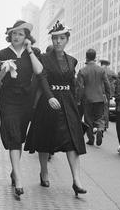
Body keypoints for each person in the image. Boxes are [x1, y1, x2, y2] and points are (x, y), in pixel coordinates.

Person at [24, 20, 87, 196]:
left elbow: (72, 84)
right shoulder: (44, 59)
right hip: (49, 101)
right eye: (55, 38)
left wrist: (76, 105)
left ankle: (77, 180)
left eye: (61, 38)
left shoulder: (72, 60)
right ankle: (44, 171)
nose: (58, 42)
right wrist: (50, 97)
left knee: (73, 140)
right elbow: (42, 78)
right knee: (45, 138)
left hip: (67, 103)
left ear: (67, 39)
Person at [0, 20, 43, 198]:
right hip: (8, 100)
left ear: (26, 38)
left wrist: (30, 50)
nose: (16, 37)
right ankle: (19, 177)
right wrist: (4, 70)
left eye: (20, 34)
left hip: (26, 101)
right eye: (14, 33)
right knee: (14, 135)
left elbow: (39, 71)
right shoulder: (2, 54)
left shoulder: (34, 52)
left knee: (20, 137)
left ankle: (14, 171)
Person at [76, 48, 110, 146]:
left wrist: (78, 99)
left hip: (87, 99)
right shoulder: (101, 70)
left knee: (88, 120)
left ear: (86, 57)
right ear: (95, 57)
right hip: (99, 98)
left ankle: (91, 139)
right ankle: (99, 129)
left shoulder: (82, 71)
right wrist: (107, 96)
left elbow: (80, 87)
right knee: (99, 118)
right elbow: (107, 84)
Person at [99, 58, 118, 130]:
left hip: (99, 91)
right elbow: (117, 79)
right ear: (107, 65)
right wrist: (112, 83)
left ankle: (99, 125)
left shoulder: (98, 70)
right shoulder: (111, 72)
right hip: (107, 92)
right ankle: (105, 125)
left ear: (101, 64)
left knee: (99, 108)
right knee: (106, 108)